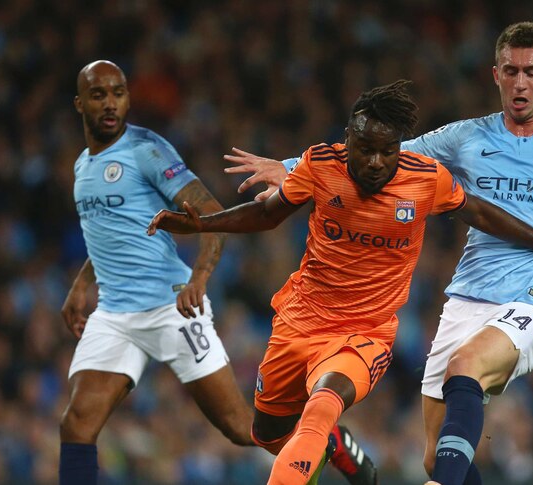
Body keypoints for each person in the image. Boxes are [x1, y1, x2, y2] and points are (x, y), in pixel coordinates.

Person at [222, 22, 533, 485]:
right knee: (438, 458)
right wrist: (290, 167)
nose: (520, 82)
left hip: (529, 299)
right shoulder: (465, 138)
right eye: (510, 70)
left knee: (466, 368)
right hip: (465, 299)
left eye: (532, 72)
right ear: (495, 74)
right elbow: (383, 152)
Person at [148, 80, 533, 485]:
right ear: (347, 140)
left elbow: (482, 212)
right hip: (300, 321)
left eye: (386, 152)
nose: (374, 162)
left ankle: (325, 434)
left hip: (364, 334)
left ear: (400, 149)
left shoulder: (425, 179)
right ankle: (338, 448)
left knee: (321, 408)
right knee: (269, 435)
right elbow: (267, 214)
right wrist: (204, 224)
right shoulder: (319, 165)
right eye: (364, 148)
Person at [59, 60, 375, 485]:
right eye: (99, 95)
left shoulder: (146, 151)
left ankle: (330, 440)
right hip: (115, 316)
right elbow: (111, 236)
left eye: (118, 92)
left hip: (171, 308)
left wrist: (198, 279)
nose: (110, 103)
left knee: (243, 428)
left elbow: (210, 215)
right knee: (76, 424)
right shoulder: (83, 166)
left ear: (129, 98)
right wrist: (81, 285)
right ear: (80, 104)